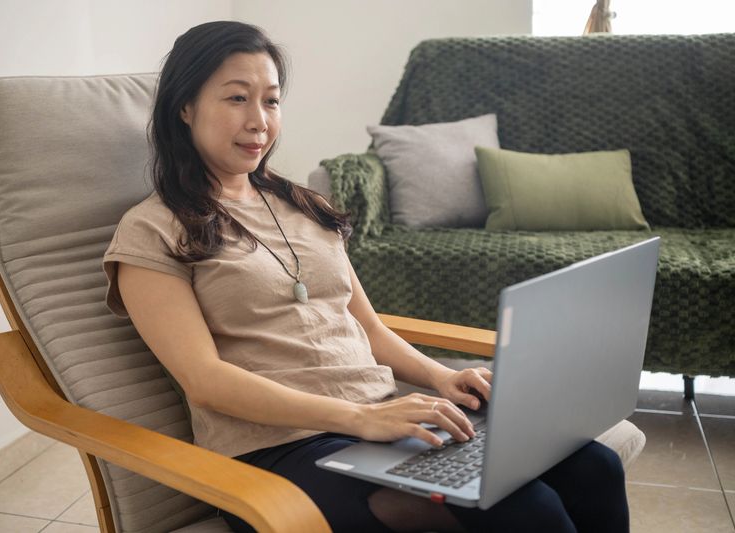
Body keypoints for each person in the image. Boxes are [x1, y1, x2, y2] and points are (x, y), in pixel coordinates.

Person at [102, 20, 630, 533]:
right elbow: (205, 380)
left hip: (377, 422)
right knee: (522, 506)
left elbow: (371, 332)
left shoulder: (301, 205)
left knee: (595, 467)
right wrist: (357, 419)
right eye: (237, 98)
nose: (259, 120)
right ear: (185, 108)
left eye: (271, 99)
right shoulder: (152, 230)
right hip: (275, 454)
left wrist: (439, 377)